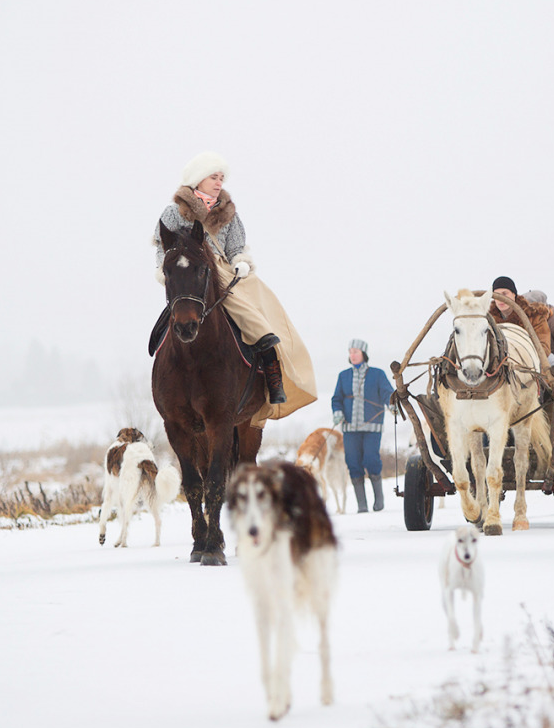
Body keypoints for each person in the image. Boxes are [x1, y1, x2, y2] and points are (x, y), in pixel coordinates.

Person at [153, 151, 317, 419]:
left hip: (224, 273)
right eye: (213, 177)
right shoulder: (173, 212)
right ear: (198, 180)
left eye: (221, 178)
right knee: (173, 316)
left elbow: (236, 246)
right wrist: (165, 272)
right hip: (187, 276)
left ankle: (273, 375)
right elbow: (162, 246)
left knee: (257, 316)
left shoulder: (228, 211)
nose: (219, 183)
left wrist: (240, 260)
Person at [332, 339, 395, 512]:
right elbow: (336, 399)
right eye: (350, 351)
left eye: (356, 351)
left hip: (372, 427)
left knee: (371, 459)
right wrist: (337, 412)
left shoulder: (378, 374)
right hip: (349, 428)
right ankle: (362, 505)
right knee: (352, 462)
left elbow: (388, 394)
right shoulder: (343, 376)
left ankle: (379, 500)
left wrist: (392, 405)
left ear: (364, 354)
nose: (352, 355)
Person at [489, 277, 551, 357]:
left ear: (514, 294)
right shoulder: (488, 320)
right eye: (496, 295)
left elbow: (544, 347)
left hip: (529, 365)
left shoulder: (533, 315)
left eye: (504, 294)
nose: (500, 298)